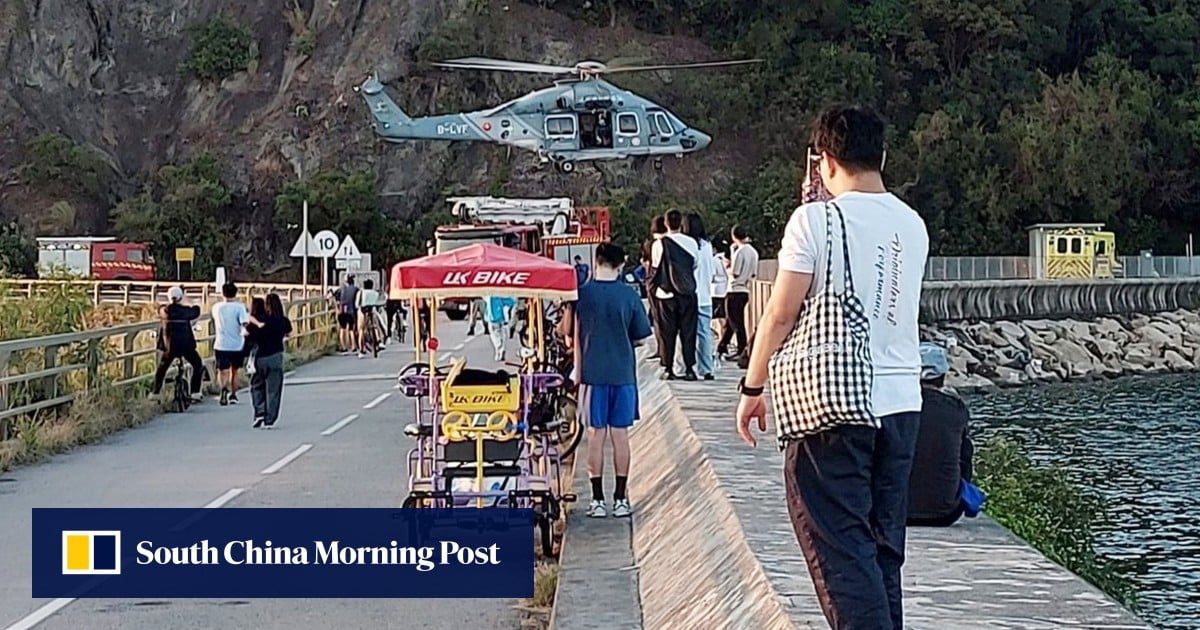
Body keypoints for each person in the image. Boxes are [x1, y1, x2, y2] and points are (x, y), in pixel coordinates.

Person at [735, 104, 930, 630]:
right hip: (903, 408)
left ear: (823, 161)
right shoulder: (913, 225)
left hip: (836, 408)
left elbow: (779, 313)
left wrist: (753, 385)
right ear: (881, 156)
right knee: (881, 551)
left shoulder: (814, 220)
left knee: (839, 550)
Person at [565, 243, 652, 518]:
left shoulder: (581, 294)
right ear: (620, 264)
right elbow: (641, 337)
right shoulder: (629, 295)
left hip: (591, 376)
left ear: (596, 261)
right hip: (623, 375)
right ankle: (620, 499)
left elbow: (566, 332)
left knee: (594, 437)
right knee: (620, 436)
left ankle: (597, 500)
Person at [908, 343, 983, 527]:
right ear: (942, 377)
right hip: (946, 512)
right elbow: (965, 458)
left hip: (895, 511)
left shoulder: (898, 407)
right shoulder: (956, 409)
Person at [651, 209, 699, 381]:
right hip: (687, 293)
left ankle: (668, 368)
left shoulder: (659, 244)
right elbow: (694, 265)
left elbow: (656, 266)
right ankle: (689, 368)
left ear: (665, 224)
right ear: (680, 223)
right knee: (688, 332)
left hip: (665, 293)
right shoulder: (692, 243)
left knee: (667, 333)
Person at [246, 293, 293, 429]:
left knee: (256, 386)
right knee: (273, 390)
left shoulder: (260, 320)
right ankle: (269, 419)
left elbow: (247, 332)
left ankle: (259, 412)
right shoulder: (283, 321)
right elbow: (290, 333)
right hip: (276, 357)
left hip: (259, 357)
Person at [151, 286, 204, 401]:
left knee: (162, 368)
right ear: (181, 297)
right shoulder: (186, 312)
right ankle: (195, 392)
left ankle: (155, 392)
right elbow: (196, 310)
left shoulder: (164, 311)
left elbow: (159, 308)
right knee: (198, 364)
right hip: (186, 346)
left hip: (169, 347)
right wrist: (189, 302)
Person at [683, 213, 717, 380]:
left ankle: (687, 367)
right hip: (706, 295)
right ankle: (707, 368)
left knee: (686, 334)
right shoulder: (707, 246)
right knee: (705, 334)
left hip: (689, 296)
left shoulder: (687, 245)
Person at [719, 225, 758, 361]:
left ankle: (742, 350)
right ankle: (722, 347)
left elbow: (734, 272)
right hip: (745, 289)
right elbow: (753, 273)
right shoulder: (753, 252)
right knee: (731, 321)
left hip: (734, 289)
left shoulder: (740, 252)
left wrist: (726, 267)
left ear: (734, 236)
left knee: (736, 322)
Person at [211, 282, 249, 406]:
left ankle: (222, 389)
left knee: (222, 370)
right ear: (235, 293)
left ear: (223, 293)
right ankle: (233, 394)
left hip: (221, 343)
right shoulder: (240, 307)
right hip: (237, 343)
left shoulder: (216, 307)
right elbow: (244, 323)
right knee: (235, 370)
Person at [642, 216, 667, 365]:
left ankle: (661, 349)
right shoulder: (671, 242)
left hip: (654, 281)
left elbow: (648, 262)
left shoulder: (651, 243)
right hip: (669, 283)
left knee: (657, 318)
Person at [484, 294, 517, 362]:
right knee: (502, 335)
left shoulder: (488, 297)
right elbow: (510, 302)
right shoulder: (499, 297)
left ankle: (499, 349)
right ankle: (501, 349)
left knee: (494, 336)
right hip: (501, 318)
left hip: (492, 319)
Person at [356, 278, 382, 357]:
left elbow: (357, 304)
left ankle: (361, 349)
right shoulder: (375, 293)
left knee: (361, 330)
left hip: (362, 311)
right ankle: (379, 340)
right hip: (372, 310)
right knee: (376, 325)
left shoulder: (361, 292)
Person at [712, 250, 729, 359]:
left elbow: (712, 275)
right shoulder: (727, 258)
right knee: (723, 318)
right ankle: (723, 341)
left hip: (715, 290)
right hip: (726, 289)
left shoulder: (714, 260)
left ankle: (721, 339)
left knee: (718, 318)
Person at [334, 276, 359, 354]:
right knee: (351, 329)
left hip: (342, 311)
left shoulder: (341, 289)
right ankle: (353, 346)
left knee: (342, 329)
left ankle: (343, 347)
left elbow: (334, 296)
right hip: (351, 311)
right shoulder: (355, 289)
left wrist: (337, 306)